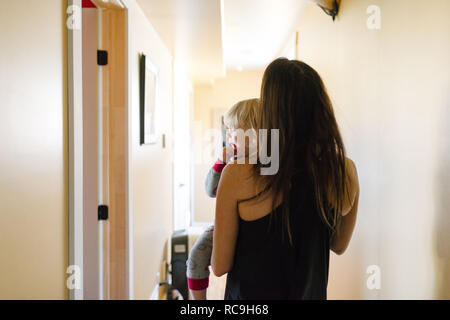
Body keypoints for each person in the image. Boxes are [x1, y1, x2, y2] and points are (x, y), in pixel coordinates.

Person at [211, 58, 360, 299]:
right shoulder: (344, 171)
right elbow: (339, 245)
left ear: (269, 111)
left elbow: (219, 266)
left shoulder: (238, 174)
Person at [186, 98, 259, 300]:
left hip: (254, 224)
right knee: (197, 255)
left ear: (254, 133)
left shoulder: (270, 161)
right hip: (228, 222)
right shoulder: (231, 161)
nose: (229, 135)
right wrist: (220, 162)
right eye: (228, 130)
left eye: (234, 130)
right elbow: (210, 190)